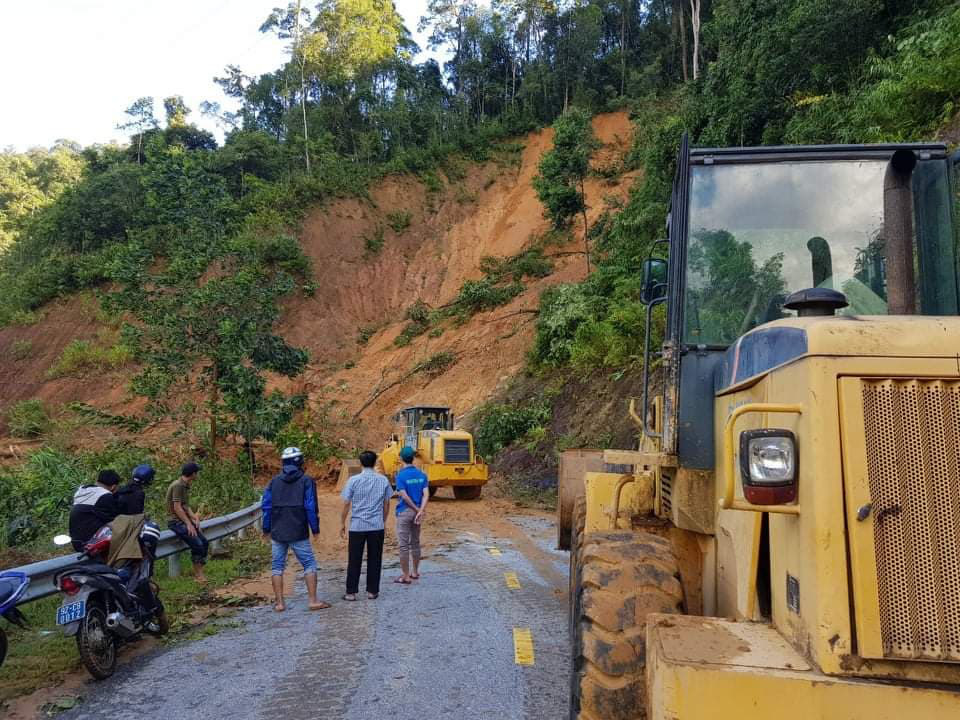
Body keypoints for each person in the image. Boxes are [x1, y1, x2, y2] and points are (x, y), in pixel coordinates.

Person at [261, 447, 329, 612]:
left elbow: (266, 506)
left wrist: (266, 528)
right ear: (300, 462)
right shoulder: (307, 481)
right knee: (309, 564)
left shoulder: (273, 481)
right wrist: (315, 528)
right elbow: (310, 506)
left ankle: (279, 603)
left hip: (278, 530)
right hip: (298, 530)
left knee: (277, 566)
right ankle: (313, 601)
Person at [340, 450, 393, 601]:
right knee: (375, 558)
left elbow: (346, 503)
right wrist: (383, 520)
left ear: (360, 462)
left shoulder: (353, 480)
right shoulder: (383, 480)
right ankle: (372, 591)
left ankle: (351, 592)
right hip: (376, 525)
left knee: (354, 559)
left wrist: (342, 523)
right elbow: (387, 503)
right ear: (375, 462)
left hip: (357, 525)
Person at [166, 462, 209, 583]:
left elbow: (185, 505)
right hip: (175, 522)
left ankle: (198, 570)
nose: (198, 474)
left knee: (204, 543)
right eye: (197, 472)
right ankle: (198, 575)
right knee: (198, 544)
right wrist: (188, 524)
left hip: (183, 520)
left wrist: (194, 518)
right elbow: (177, 507)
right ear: (193, 474)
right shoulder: (178, 486)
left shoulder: (184, 485)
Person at [393, 447, 429, 585]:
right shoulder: (422, 475)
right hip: (418, 513)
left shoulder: (400, 476)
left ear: (401, 458)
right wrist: (420, 510)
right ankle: (415, 571)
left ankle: (406, 575)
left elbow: (403, 495)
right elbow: (426, 494)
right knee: (415, 542)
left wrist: (415, 508)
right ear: (413, 458)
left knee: (403, 545)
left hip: (405, 511)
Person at [68, 470, 121, 551]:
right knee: (122, 527)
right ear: (113, 487)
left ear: (97, 481)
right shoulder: (105, 496)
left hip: (77, 542)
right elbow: (113, 521)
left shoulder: (81, 491)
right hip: (90, 543)